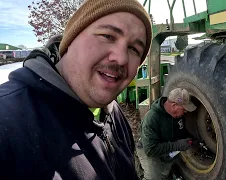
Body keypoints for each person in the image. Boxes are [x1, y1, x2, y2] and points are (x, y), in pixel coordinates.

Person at [0, 0, 152, 179]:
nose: (121, 58)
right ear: (71, 39)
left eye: (134, 49)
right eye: (108, 36)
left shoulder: (113, 112)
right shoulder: (7, 122)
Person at [137, 88, 197, 180]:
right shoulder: (152, 118)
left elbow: (181, 131)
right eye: (184, 109)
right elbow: (150, 150)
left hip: (165, 145)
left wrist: (193, 140)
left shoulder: (176, 115)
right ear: (174, 105)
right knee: (155, 178)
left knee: (165, 174)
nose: (186, 112)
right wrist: (177, 145)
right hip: (150, 150)